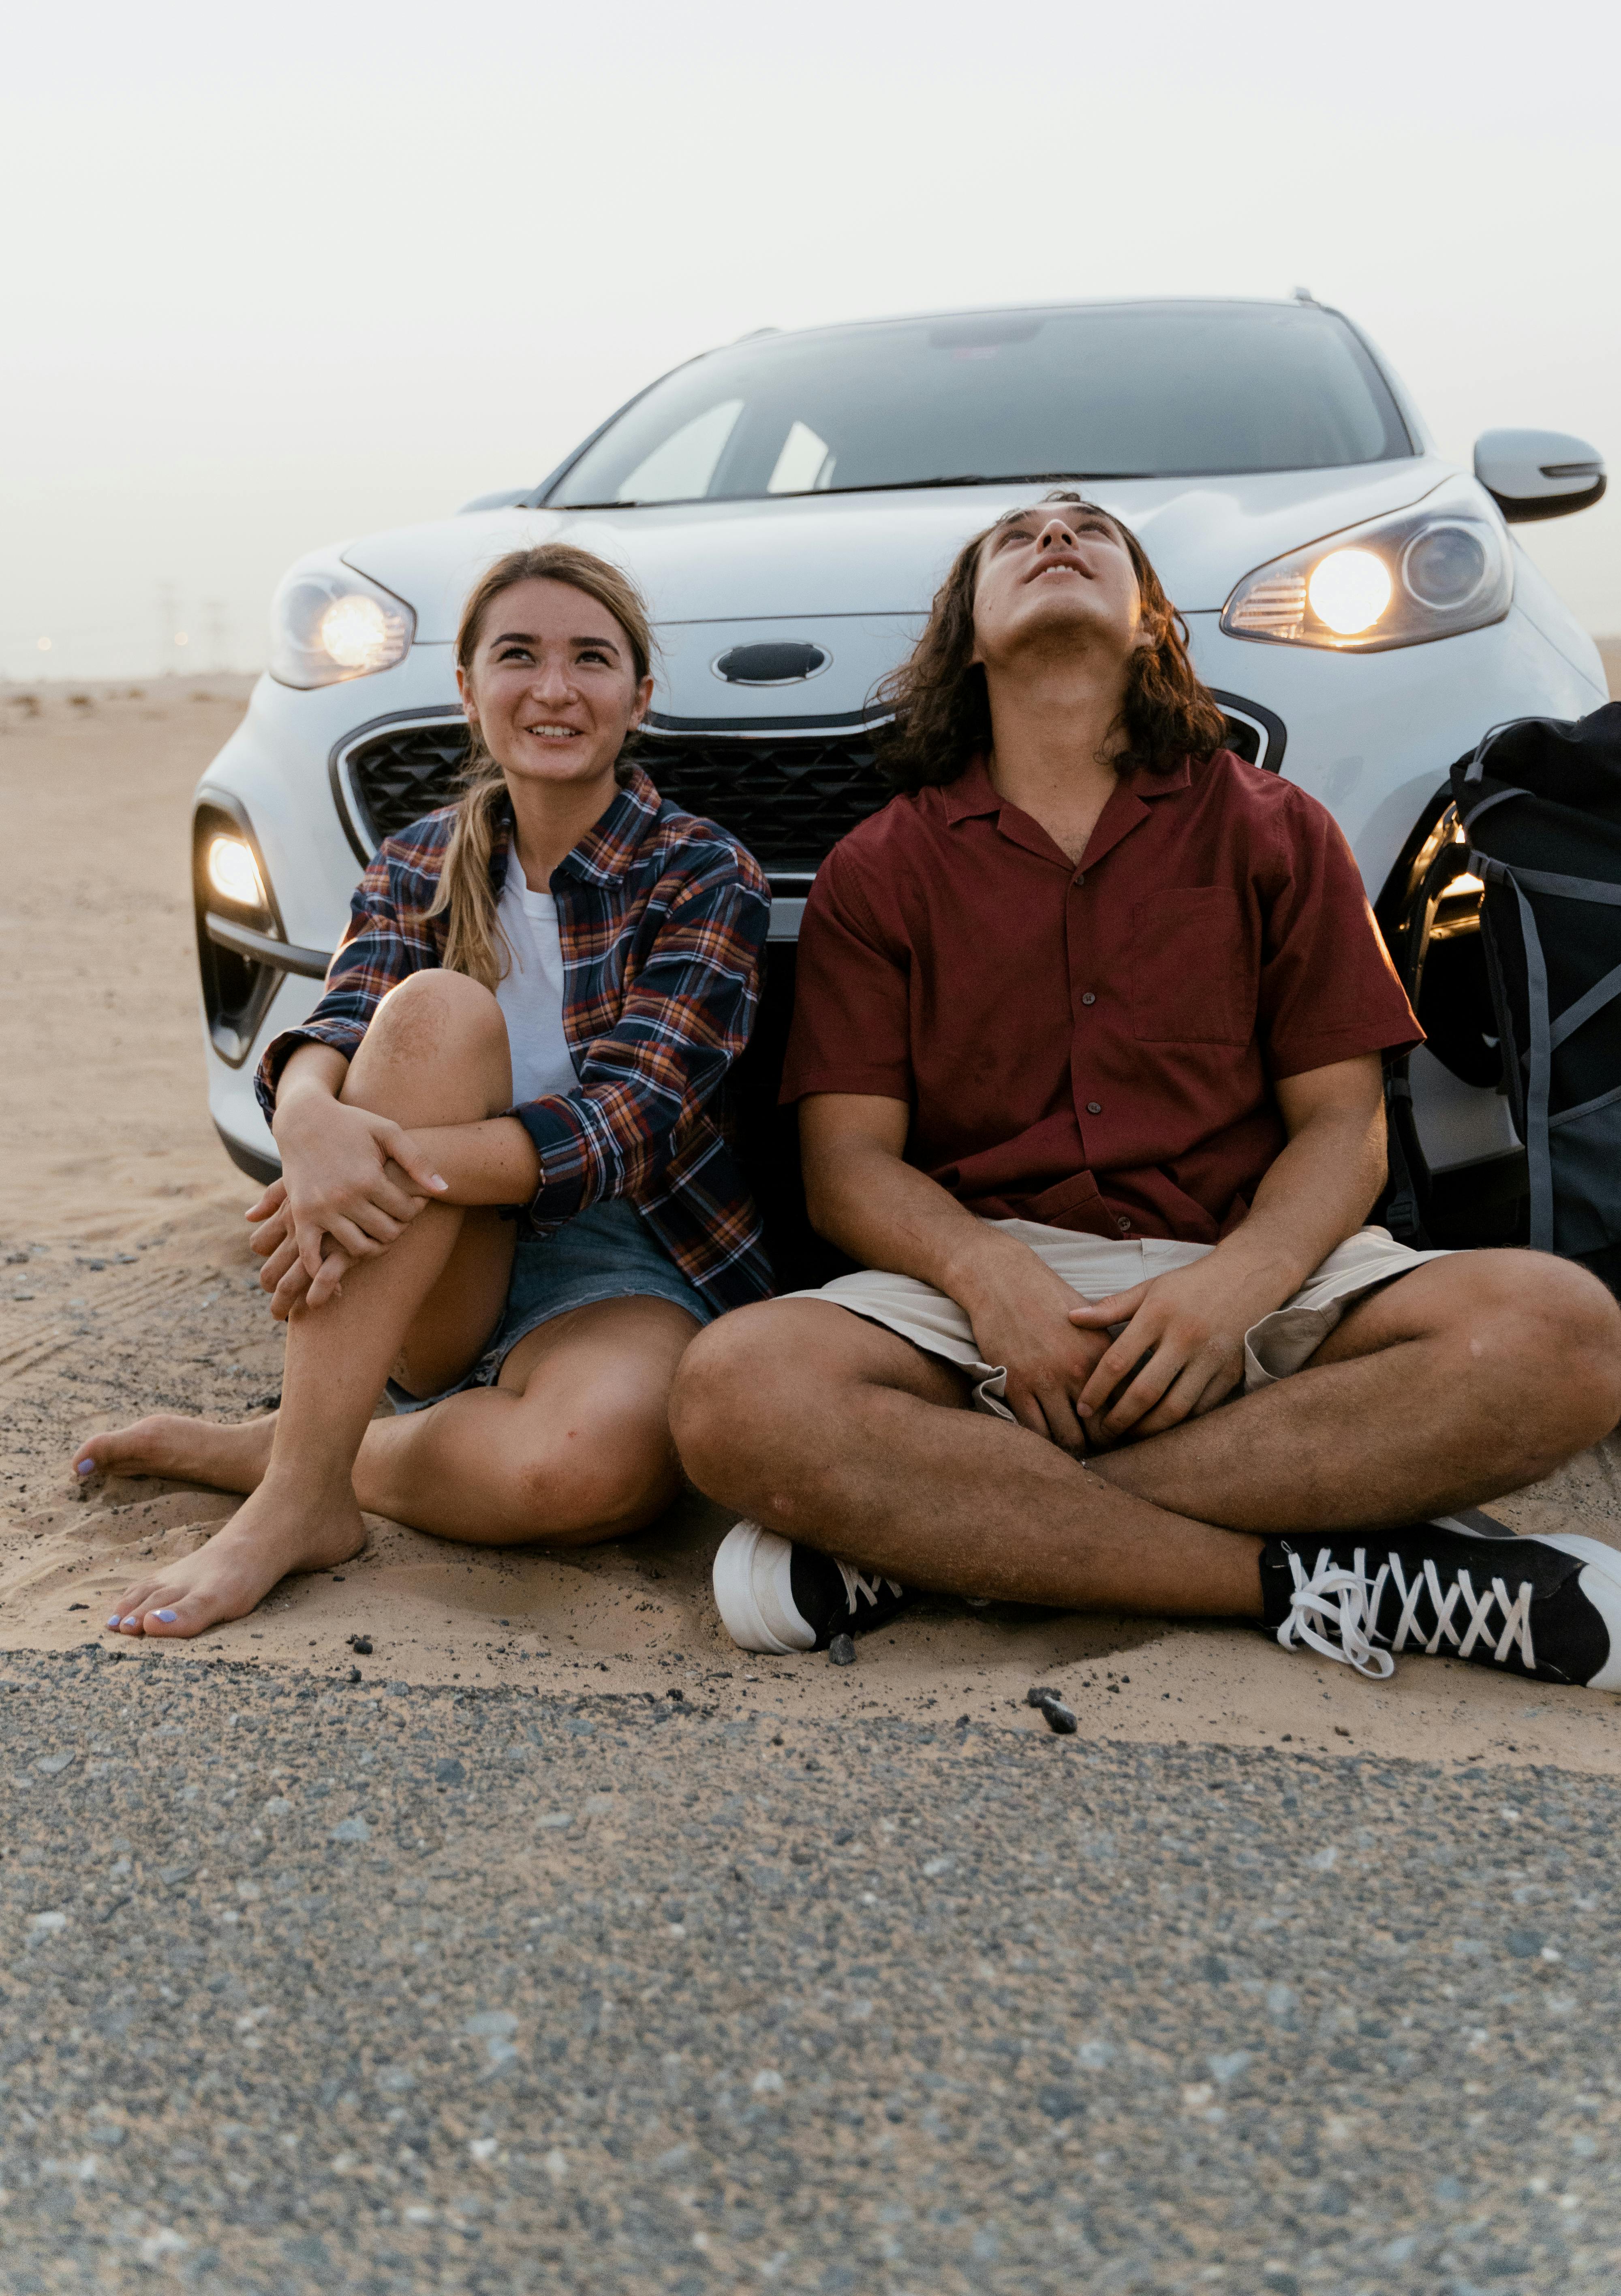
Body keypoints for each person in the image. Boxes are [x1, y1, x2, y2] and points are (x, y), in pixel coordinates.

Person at [671, 494, 1621, 1687]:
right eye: (1015, 539)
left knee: (1562, 1337)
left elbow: (1345, 1126)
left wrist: (1237, 1287)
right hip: (985, 1292)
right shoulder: (883, 868)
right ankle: (1340, 1583)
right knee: (734, 1394)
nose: (1054, 538)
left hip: (1256, 1261)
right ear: (967, 637)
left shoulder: (1280, 830)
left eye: (1091, 533)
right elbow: (847, 1164)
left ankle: (939, 1538)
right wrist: (988, 1278)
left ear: (1152, 621)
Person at [81, 543, 772, 1636]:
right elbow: (343, 1022)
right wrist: (310, 1126)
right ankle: (298, 1503)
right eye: (518, 656)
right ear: (467, 688)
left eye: (591, 659)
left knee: (591, 1474)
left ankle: (298, 1447)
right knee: (436, 1012)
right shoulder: (416, 860)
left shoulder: (700, 872)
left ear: (639, 697)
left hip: (628, 1253)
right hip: (430, 1257)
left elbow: (626, 1129)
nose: (553, 688)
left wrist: (365, 1163)